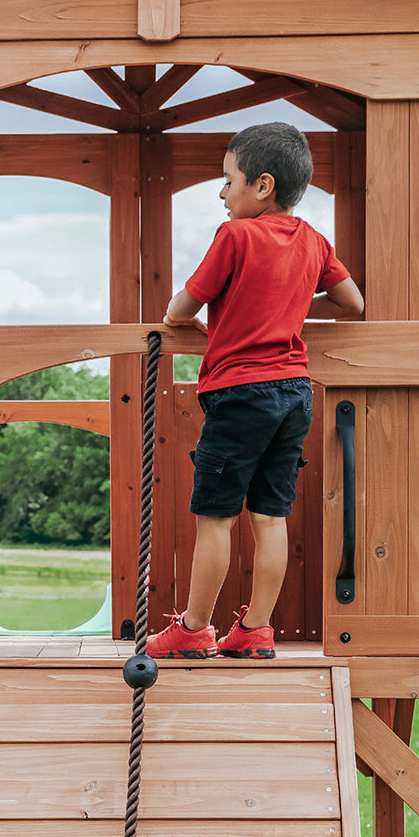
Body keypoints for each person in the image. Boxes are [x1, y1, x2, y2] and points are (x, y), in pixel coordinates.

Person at [148, 122, 364, 660]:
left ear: (261, 186)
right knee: (270, 517)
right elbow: (352, 303)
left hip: (241, 393)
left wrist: (205, 317)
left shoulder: (235, 237)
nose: (222, 194)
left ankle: (195, 629)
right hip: (295, 393)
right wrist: (289, 308)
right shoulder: (313, 240)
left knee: (216, 517)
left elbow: (179, 309)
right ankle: (256, 630)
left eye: (227, 181)